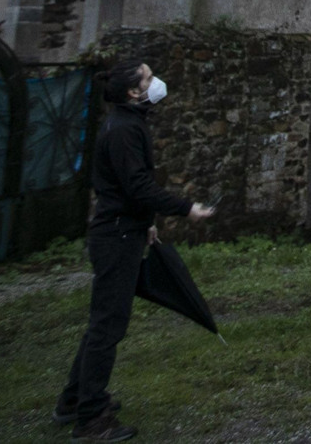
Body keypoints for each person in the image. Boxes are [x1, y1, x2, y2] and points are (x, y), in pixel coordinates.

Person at [55, 60, 216, 441]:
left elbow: (127, 190)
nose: (156, 81)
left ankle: (74, 400)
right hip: (116, 238)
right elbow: (138, 187)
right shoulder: (125, 130)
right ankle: (90, 420)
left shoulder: (127, 123)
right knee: (107, 327)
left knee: (103, 321)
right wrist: (186, 208)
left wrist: (145, 222)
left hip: (123, 231)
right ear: (133, 91)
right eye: (148, 77)